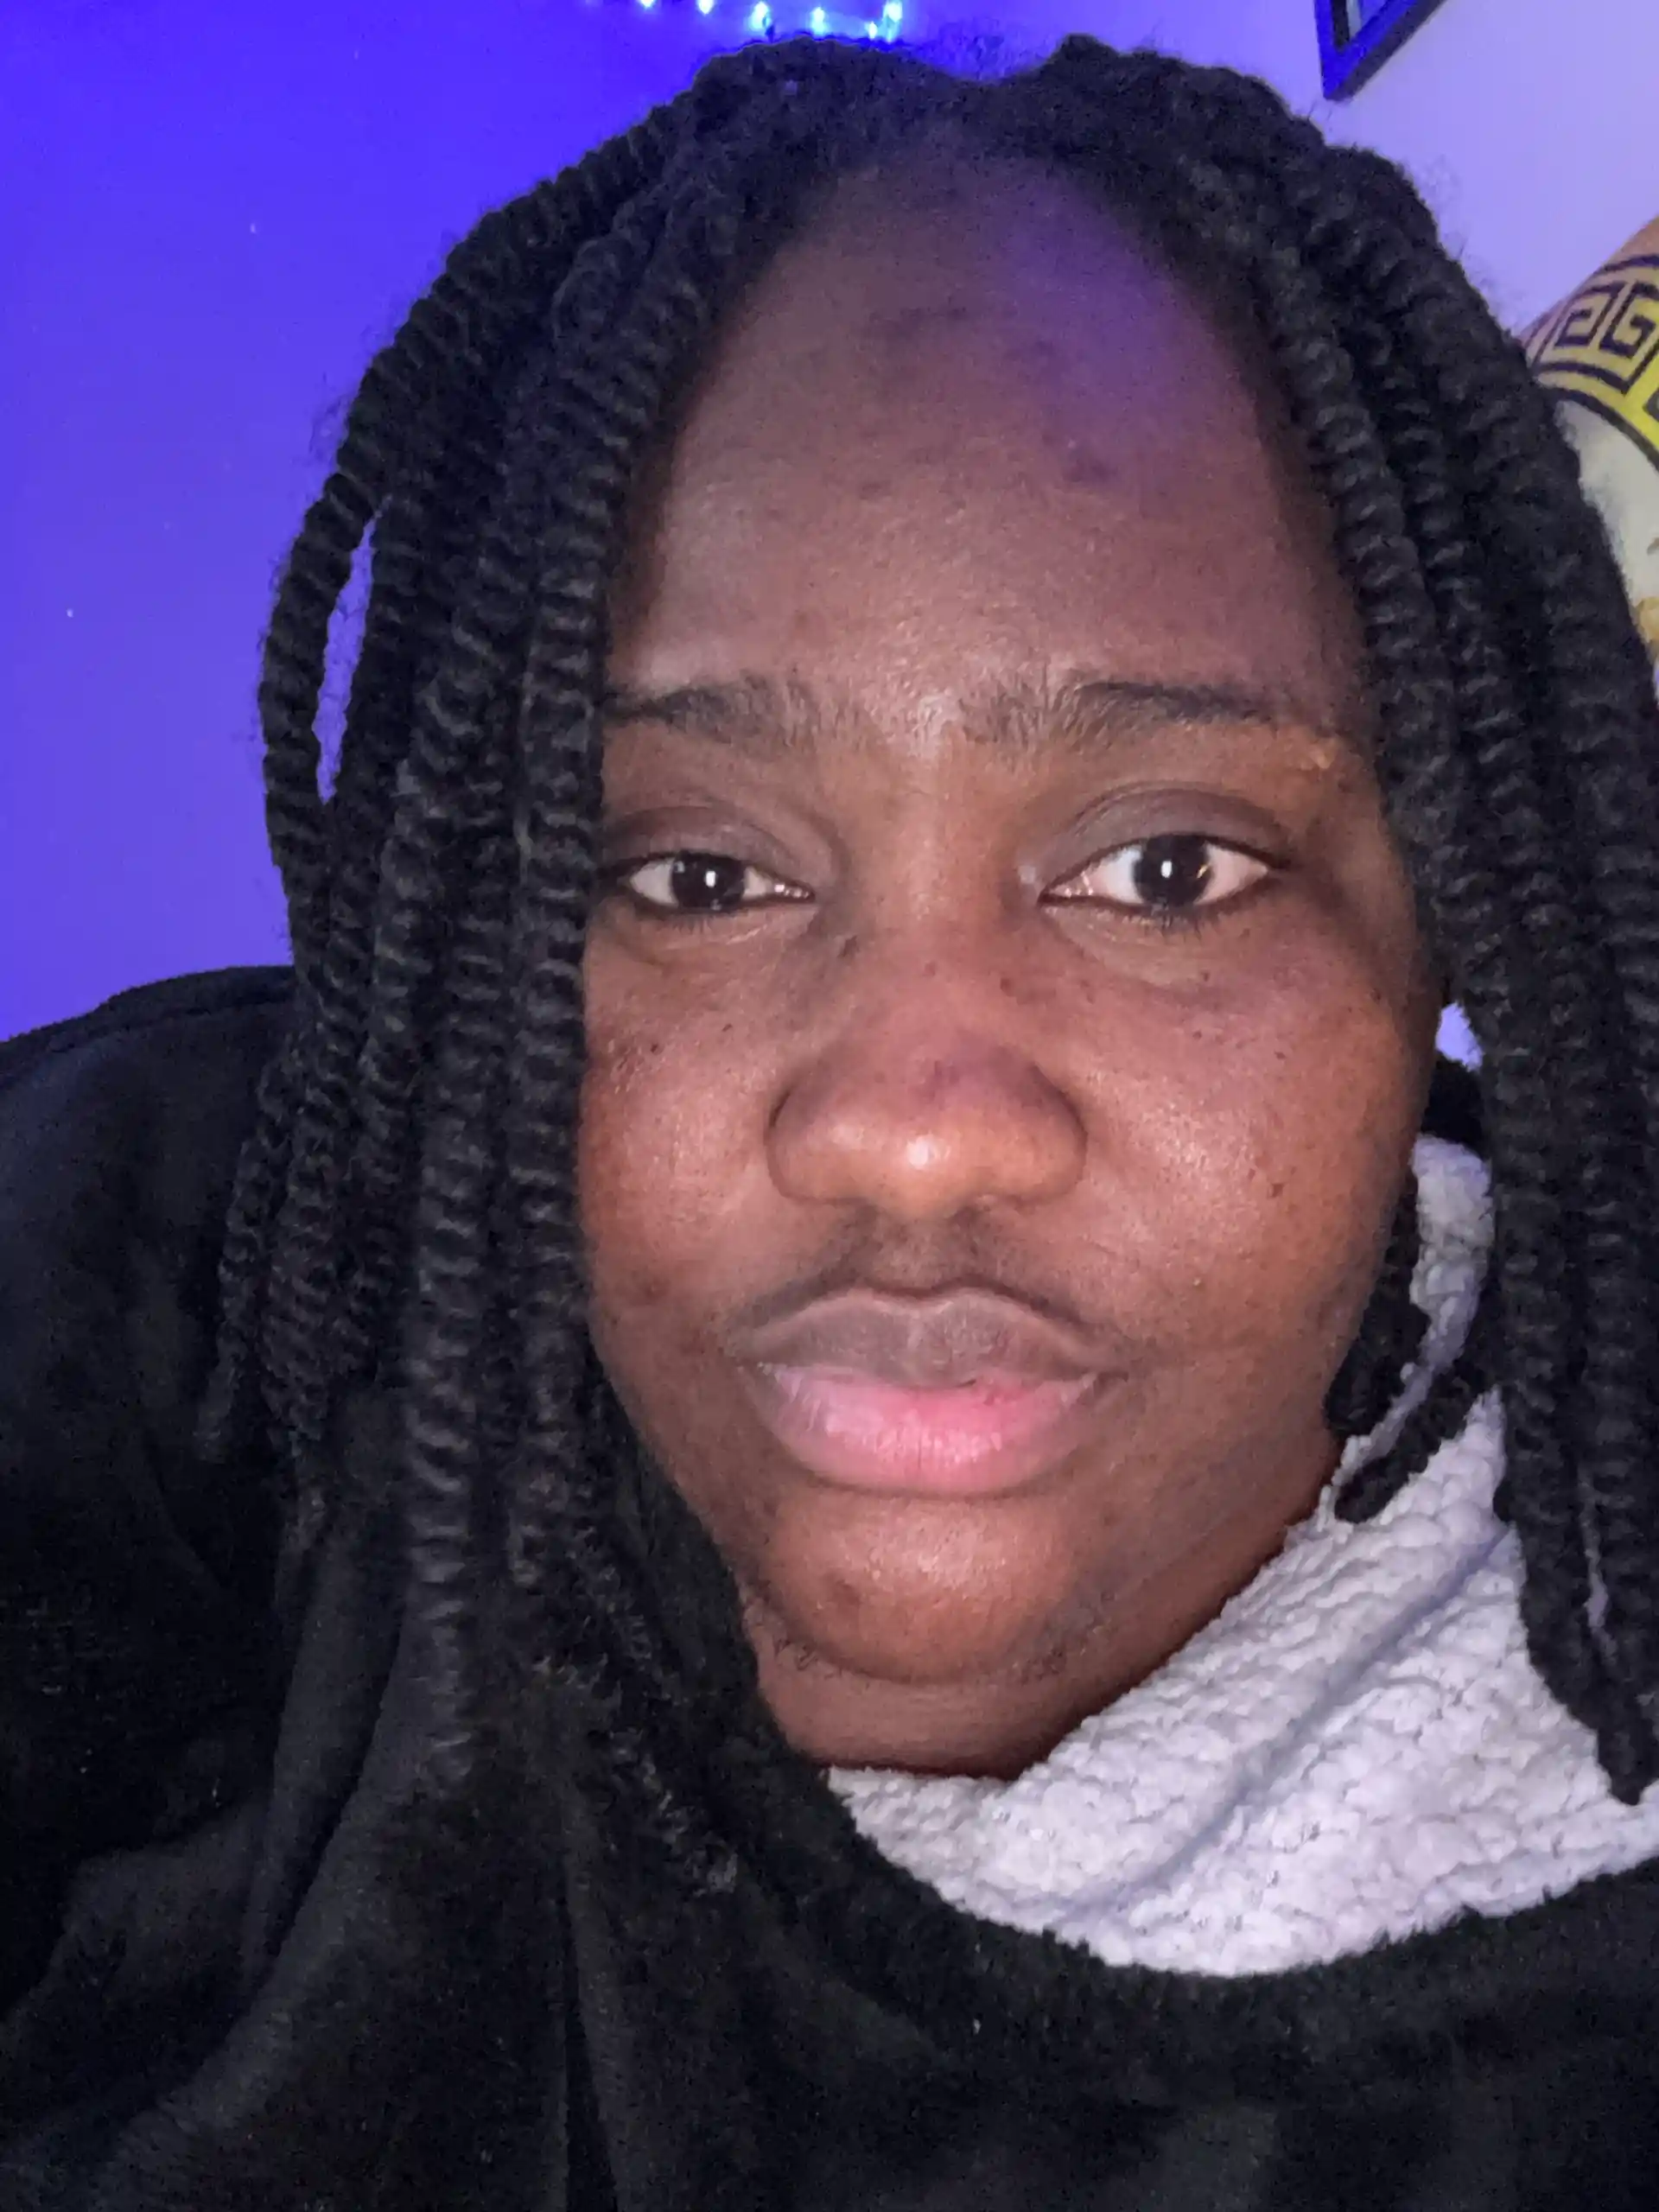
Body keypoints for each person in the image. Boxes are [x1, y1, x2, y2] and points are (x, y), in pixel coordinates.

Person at [4, 32, 1659, 2211]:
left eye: (1168, 868)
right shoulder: (160, 1285)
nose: (913, 1135)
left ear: (1450, 906)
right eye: (701, 876)